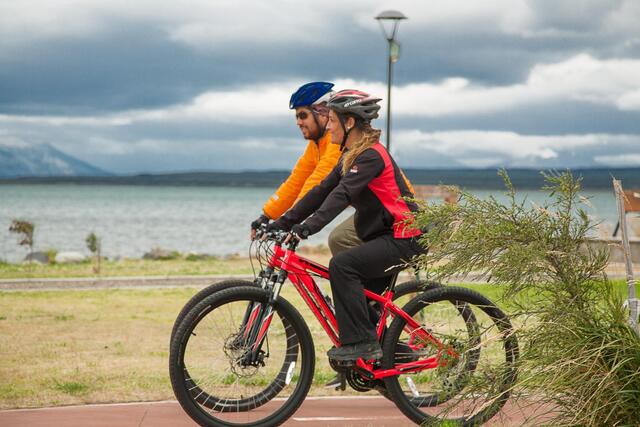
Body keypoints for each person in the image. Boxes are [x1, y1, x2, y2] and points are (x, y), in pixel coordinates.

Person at [268, 89, 426, 362]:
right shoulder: (350, 155)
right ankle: (389, 355)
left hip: (404, 238)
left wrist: (308, 228)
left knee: (343, 266)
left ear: (349, 122)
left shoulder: (370, 156)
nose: (328, 127)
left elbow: (342, 196)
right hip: (385, 237)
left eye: (331, 120)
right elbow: (321, 192)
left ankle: (363, 345)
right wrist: (283, 222)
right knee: (361, 303)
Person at [250, 82, 342, 236]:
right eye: (297, 117)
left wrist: (289, 219)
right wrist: (266, 215)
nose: (298, 122)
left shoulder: (337, 142)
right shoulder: (316, 145)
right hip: (368, 210)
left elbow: (318, 182)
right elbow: (296, 182)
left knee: (339, 240)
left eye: (303, 115)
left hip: (388, 209)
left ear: (323, 112)